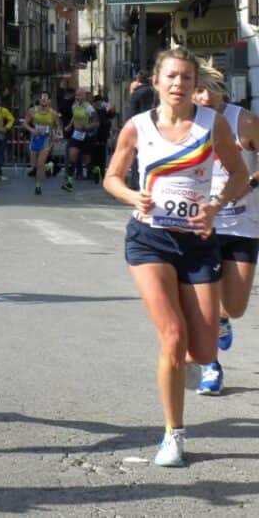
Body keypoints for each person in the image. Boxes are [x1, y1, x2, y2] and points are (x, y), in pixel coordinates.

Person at [103, 46, 247, 467]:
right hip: (150, 240)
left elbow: (238, 174)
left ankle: (186, 359)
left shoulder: (212, 124)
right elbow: (112, 177)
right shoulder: (137, 127)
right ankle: (173, 435)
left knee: (202, 352)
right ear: (156, 82)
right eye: (171, 77)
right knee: (171, 335)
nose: (178, 84)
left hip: (198, 241)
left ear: (194, 83)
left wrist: (217, 205)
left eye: (186, 77)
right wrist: (133, 195)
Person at [192, 62, 259, 395]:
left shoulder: (243, 120)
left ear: (220, 89)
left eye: (206, 90)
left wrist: (250, 180)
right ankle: (211, 367)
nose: (202, 98)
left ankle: (221, 319)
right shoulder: (190, 123)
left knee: (235, 306)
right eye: (196, 91)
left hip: (242, 222)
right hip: (204, 223)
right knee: (202, 297)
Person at [23, 92, 61, 195]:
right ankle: (48, 166)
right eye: (42, 99)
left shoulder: (53, 113)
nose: (43, 100)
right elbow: (25, 123)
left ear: (49, 101)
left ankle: (38, 186)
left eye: (45, 99)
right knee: (34, 165)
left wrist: (57, 134)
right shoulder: (32, 111)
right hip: (35, 139)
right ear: (39, 100)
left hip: (46, 140)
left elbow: (57, 126)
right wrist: (32, 130)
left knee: (40, 164)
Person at [61, 88, 98, 192]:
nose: (77, 97)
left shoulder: (89, 108)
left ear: (85, 96)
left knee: (87, 161)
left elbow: (96, 122)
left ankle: (96, 170)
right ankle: (69, 183)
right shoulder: (74, 105)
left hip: (87, 135)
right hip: (76, 135)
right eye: (76, 95)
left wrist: (86, 127)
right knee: (72, 157)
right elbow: (74, 117)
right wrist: (69, 125)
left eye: (80, 95)